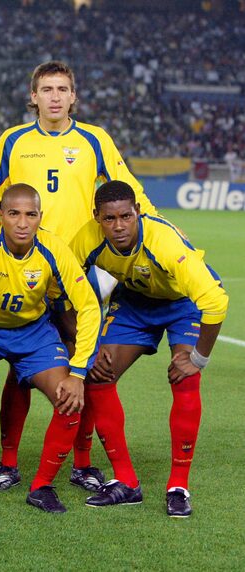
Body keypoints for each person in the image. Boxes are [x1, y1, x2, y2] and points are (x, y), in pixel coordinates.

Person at [0, 61, 158, 492]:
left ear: (74, 96)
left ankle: (82, 463)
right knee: (20, 367)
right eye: (47, 89)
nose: (55, 96)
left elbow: (130, 191)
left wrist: (158, 227)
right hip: (30, 268)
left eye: (62, 89)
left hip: (87, 269)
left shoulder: (95, 139)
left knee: (88, 365)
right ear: (33, 96)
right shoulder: (14, 141)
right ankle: (8, 461)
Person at [69, 181, 228, 517]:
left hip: (182, 303)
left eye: (126, 216)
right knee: (98, 376)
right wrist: (87, 346)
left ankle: (178, 487)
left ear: (137, 212)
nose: (119, 226)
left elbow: (215, 300)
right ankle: (126, 482)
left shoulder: (164, 243)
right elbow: (60, 292)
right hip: (135, 302)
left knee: (185, 378)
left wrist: (198, 358)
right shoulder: (85, 240)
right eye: (109, 219)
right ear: (97, 217)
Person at [0, 184, 100, 513]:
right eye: (14, 213)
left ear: (41, 217)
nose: (23, 223)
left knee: (69, 399)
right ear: (1, 215)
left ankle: (42, 486)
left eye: (31, 214)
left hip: (33, 333)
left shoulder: (53, 248)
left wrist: (78, 371)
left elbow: (89, 307)